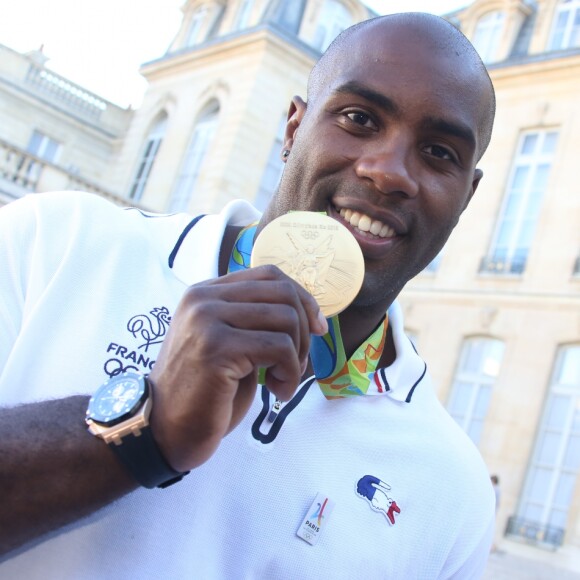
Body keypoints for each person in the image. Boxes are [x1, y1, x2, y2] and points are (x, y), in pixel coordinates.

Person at [0, 12, 497, 579]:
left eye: (439, 153)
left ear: (466, 196)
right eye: (359, 119)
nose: (387, 172)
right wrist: (145, 427)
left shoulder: (455, 492)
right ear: (292, 129)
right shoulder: (56, 245)